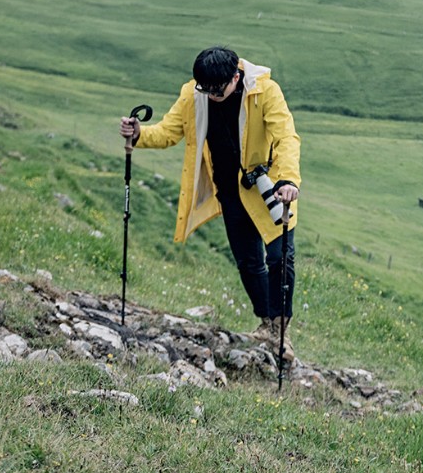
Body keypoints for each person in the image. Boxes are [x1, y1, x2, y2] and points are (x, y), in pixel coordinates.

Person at [119, 46, 301, 355]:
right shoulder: (194, 94)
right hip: (229, 190)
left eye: (219, 90)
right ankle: (266, 323)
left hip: (271, 188)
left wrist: (288, 181)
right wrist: (139, 134)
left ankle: (280, 329)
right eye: (207, 89)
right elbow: (168, 131)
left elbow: (286, 137)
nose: (213, 96)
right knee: (248, 262)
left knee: (281, 258)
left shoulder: (265, 91)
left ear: (236, 76)